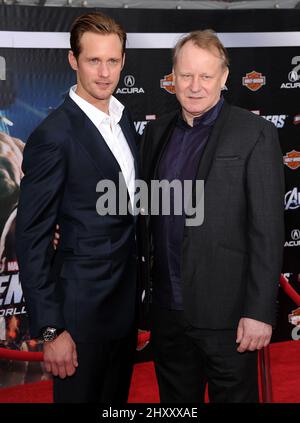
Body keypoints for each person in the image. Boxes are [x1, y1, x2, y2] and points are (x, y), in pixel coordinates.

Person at [140, 30, 285, 403]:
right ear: (173, 76)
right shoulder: (156, 133)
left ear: (224, 77)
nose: (195, 86)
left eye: (206, 76)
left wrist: (259, 312)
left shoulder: (255, 133)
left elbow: (267, 230)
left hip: (229, 319)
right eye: (186, 75)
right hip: (168, 316)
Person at [16, 12, 139, 403]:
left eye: (113, 61)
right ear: (73, 60)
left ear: (122, 61)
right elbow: (32, 237)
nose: (104, 73)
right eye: (93, 60)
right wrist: (51, 330)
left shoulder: (124, 119)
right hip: (78, 318)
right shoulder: (53, 135)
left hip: (124, 312)